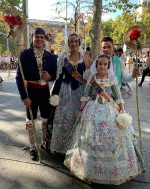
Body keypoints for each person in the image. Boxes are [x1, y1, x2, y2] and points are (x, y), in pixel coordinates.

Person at [64, 54, 146, 185]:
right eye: (100, 64)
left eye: (105, 64)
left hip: (109, 109)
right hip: (92, 109)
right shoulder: (92, 79)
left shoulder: (113, 79)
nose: (102, 66)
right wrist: (80, 111)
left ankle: (114, 170)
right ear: (96, 65)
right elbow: (85, 96)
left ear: (108, 66)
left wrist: (122, 110)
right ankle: (89, 169)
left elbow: (118, 96)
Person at [16, 27, 57, 160]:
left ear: (45, 39)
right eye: (37, 36)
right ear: (32, 38)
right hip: (31, 92)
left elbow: (55, 74)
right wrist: (24, 97)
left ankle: (44, 143)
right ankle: (33, 147)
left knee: (45, 119)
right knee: (30, 120)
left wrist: (49, 77)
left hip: (45, 92)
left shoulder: (50, 56)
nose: (39, 39)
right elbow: (19, 77)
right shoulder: (25, 54)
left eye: (41, 37)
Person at [50, 33, 87, 155]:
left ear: (79, 42)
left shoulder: (85, 57)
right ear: (68, 43)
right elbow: (59, 77)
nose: (74, 43)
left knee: (79, 118)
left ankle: (77, 148)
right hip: (66, 91)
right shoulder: (63, 58)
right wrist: (54, 94)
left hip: (81, 91)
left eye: (76, 41)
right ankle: (63, 147)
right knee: (64, 117)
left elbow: (89, 76)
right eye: (71, 41)